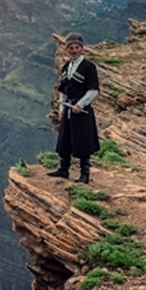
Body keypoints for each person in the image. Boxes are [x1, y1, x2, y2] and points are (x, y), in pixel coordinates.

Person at [50, 34, 100, 183]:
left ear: (82, 49)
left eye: (76, 47)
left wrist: (81, 104)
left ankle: (85, 174)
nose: (74, 50)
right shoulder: (67, 67)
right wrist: (61, 108)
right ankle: (63, 169)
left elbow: (93, 90)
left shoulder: (88, 67)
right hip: (68, 109)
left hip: (82, 111)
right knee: (65, 139)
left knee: (83, 141)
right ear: (67, 50)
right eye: (71, 48)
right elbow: (63, 90)